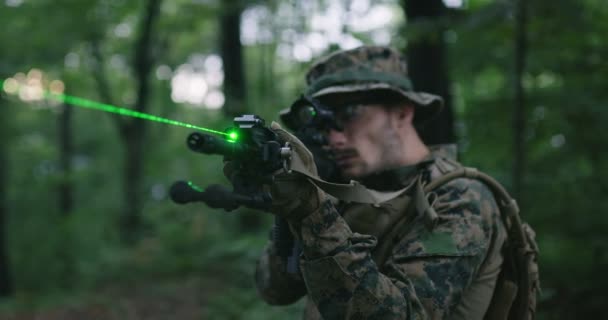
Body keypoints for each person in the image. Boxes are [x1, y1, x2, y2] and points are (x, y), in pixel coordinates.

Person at [252, 46, 508, 319]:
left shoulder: (462, 197)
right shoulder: (345, 189)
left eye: (349, 113)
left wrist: (314, 215)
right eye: (324, 124)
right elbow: (274, 290)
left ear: (401, 113)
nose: (334, 138)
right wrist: (293, 209)